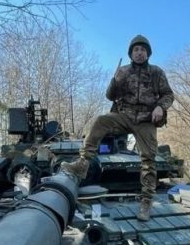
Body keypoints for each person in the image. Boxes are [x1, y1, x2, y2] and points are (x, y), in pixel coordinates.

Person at [61, 34, 174, 221]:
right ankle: (83, 164)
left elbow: (168, 94)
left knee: (148, 158)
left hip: (146, 118)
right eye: (136, 50)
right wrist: (114, 81)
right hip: (124, 115)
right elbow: (109, 96)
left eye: (143, 50)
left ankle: (146, 202)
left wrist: (160, 107)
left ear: (148, 53)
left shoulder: (156, 72)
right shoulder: (123, 71)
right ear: (131, 53)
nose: (139, 53)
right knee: (100, 121)